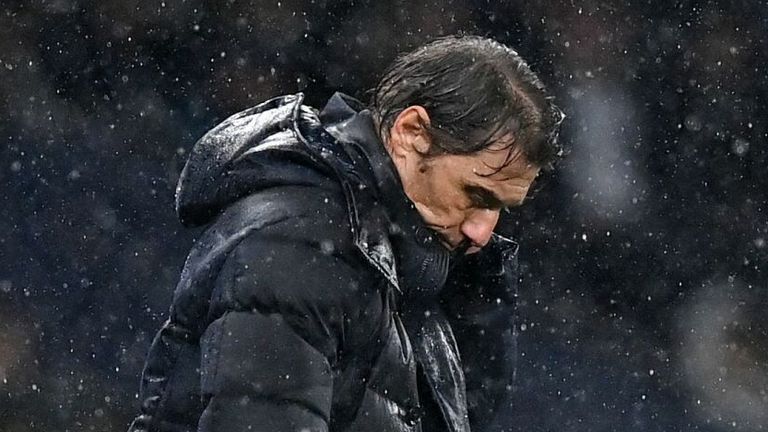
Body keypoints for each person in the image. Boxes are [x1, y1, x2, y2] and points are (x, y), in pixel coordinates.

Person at [128, 35, 564, 432]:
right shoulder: (300, 244)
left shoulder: (404, 261)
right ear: (411, 133)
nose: (483, 231)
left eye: (500, 209)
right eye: (475, 194)